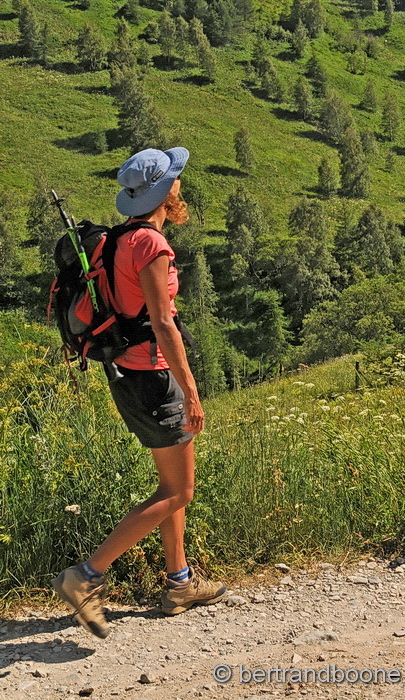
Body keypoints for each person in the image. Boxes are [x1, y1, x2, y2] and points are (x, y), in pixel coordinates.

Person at [51, 147, 226, 639]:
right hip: (153, 378)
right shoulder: (151, 244)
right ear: (163, 192)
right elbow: (164, 324)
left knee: (171, 486)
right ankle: (85, 576)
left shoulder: (118, 238)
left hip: (125, 375)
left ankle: (179, 582)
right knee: (179, 491)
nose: (180, 181)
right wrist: (191, 391)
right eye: (175, 177)